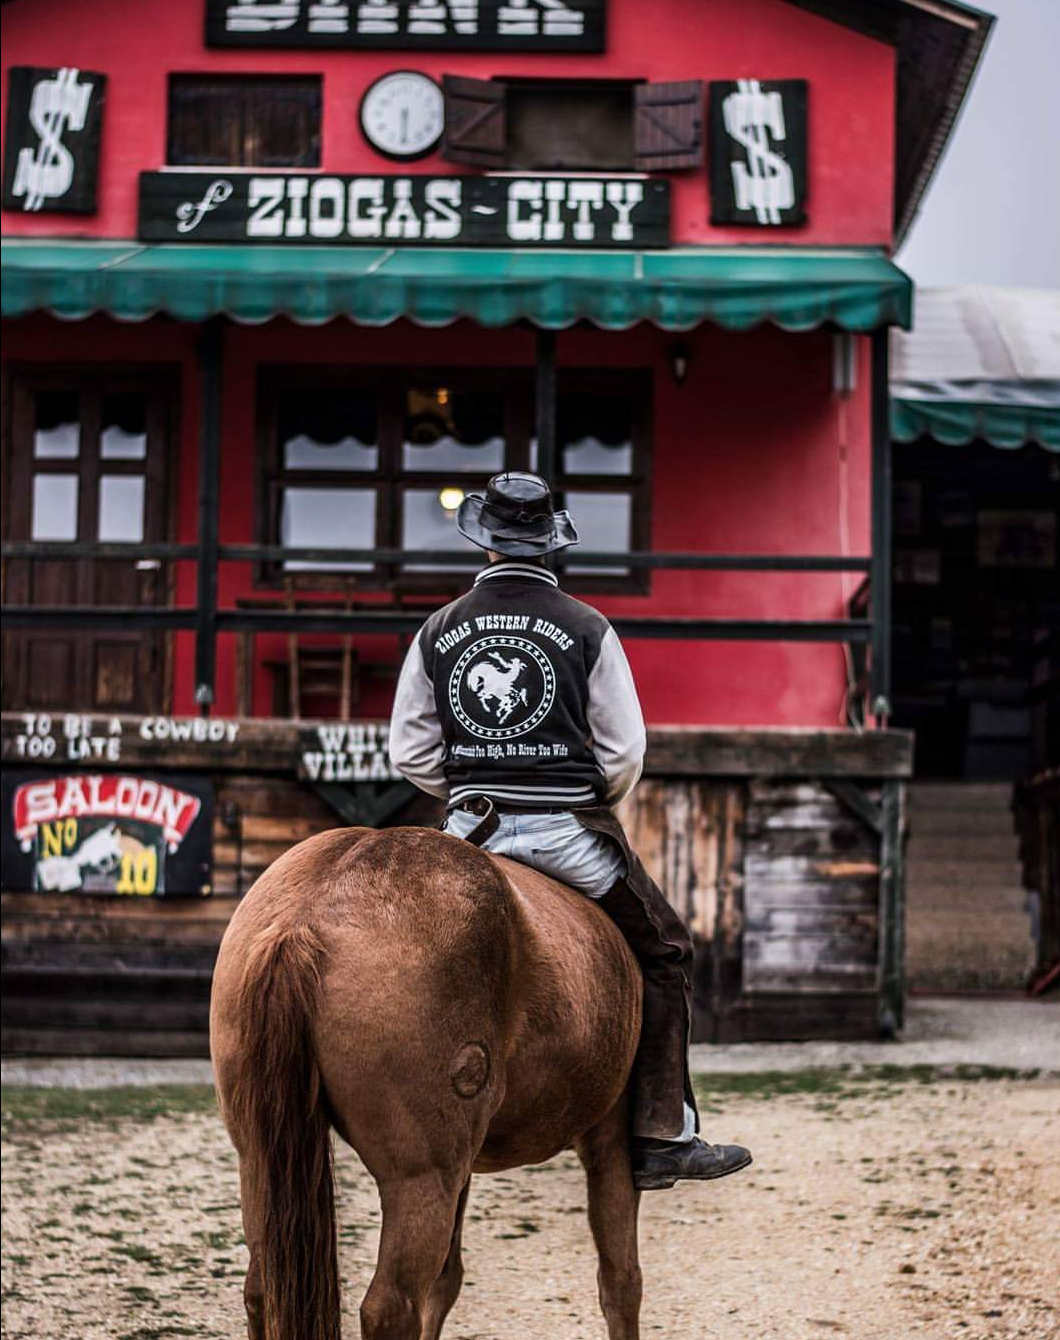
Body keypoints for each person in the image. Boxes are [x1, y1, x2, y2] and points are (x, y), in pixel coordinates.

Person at [389, 471, 751, 1191]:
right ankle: (660, 1134)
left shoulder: (438, 627)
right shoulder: (588, 627)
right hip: (565, 835)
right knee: (666, 948)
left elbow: (410, 752)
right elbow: (625, 753)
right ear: (551, 545)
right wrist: (586, 800)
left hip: (472, 834)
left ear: (484, 541)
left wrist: (468, 788)